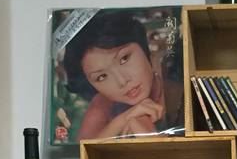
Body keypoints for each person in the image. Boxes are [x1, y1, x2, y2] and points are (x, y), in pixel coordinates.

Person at [63, 9, 182, 139]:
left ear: (144, 49)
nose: (122, 81)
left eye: (124, 59)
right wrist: (124, 119)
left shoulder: (179, 88)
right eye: (102, 77)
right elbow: (83, 146)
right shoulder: (103, 103)